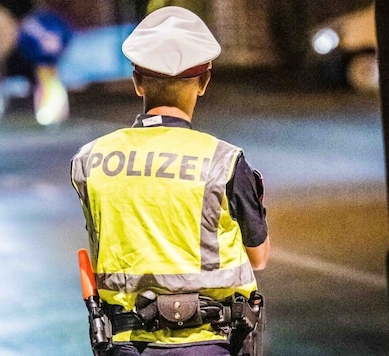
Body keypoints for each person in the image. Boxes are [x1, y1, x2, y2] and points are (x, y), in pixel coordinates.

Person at [70, 6, 270, 356]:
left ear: (137, 82)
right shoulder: (224, 160)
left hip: (125, 343)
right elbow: (259, 258)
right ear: (204, 81)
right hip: (209, 344)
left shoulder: (90, 160)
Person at [16, 4, 73, 126]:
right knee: (43, 84)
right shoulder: (32, 23)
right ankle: (46, 113)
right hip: (40, 61)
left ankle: (59, 114)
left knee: (55, 85)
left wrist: (59, 47)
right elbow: (25, 43)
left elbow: (64, 36)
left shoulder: (51, 20)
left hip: (54, 61)